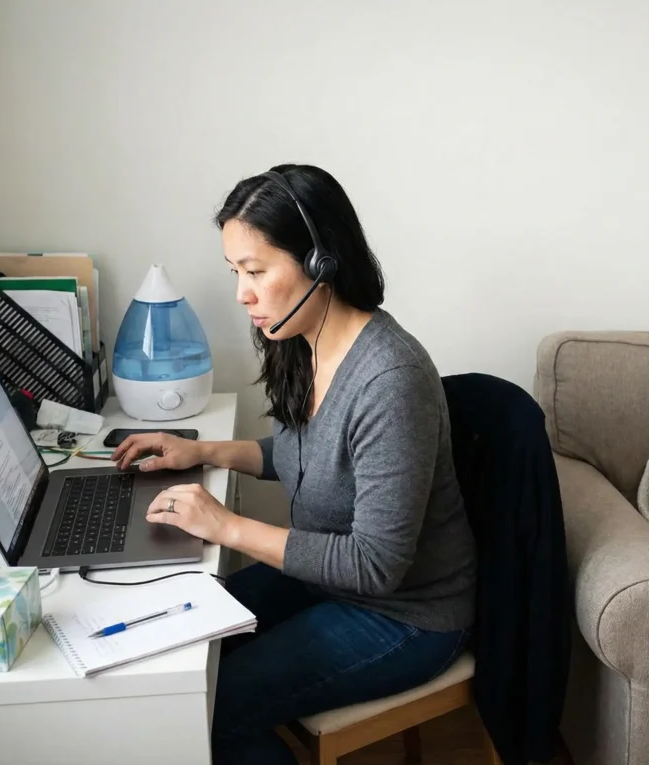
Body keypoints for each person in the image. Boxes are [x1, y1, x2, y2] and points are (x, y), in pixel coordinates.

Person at [112, 164, 477, 764]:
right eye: (235, 272)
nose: (242, 294)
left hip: (405, 616)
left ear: (321, 263)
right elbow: (306, 454)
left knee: (212, 706)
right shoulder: (302, 341)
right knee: (178, 652)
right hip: (324, 579)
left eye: (256, 271)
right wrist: (203, 451)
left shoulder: (390, 381)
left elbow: (374, 565)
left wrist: (226, 526)